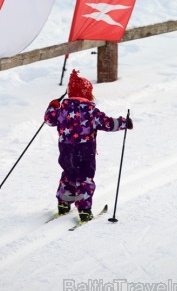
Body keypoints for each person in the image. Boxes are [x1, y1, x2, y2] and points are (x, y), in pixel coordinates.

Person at [44, 68, 133, 222]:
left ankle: (64, 204)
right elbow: (107, 123)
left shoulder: (61, 110)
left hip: (65, 151)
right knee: (84, 177)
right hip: (85, 151)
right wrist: (124, 122)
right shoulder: (90, 111)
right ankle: (84, 210)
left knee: (68, 174)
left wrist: (53, 104)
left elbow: (49, 119)